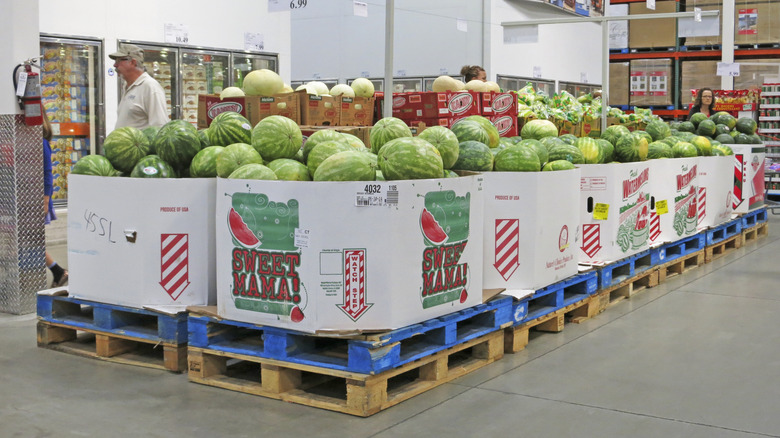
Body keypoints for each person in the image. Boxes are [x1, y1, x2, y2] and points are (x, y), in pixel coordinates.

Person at [109, 44, 169, 130]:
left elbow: (160, 127)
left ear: (133, 62)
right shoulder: (127, 86)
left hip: (140, 144)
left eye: (119, 61)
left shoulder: (150, 87)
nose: (115, 65)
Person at [42, 109, 68, 287]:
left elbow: (47, 174)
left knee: (29, 240)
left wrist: (45, 200)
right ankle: (57, 271)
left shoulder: (42, 143)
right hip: (28, 198)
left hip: (37, 199)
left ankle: (58, 270)